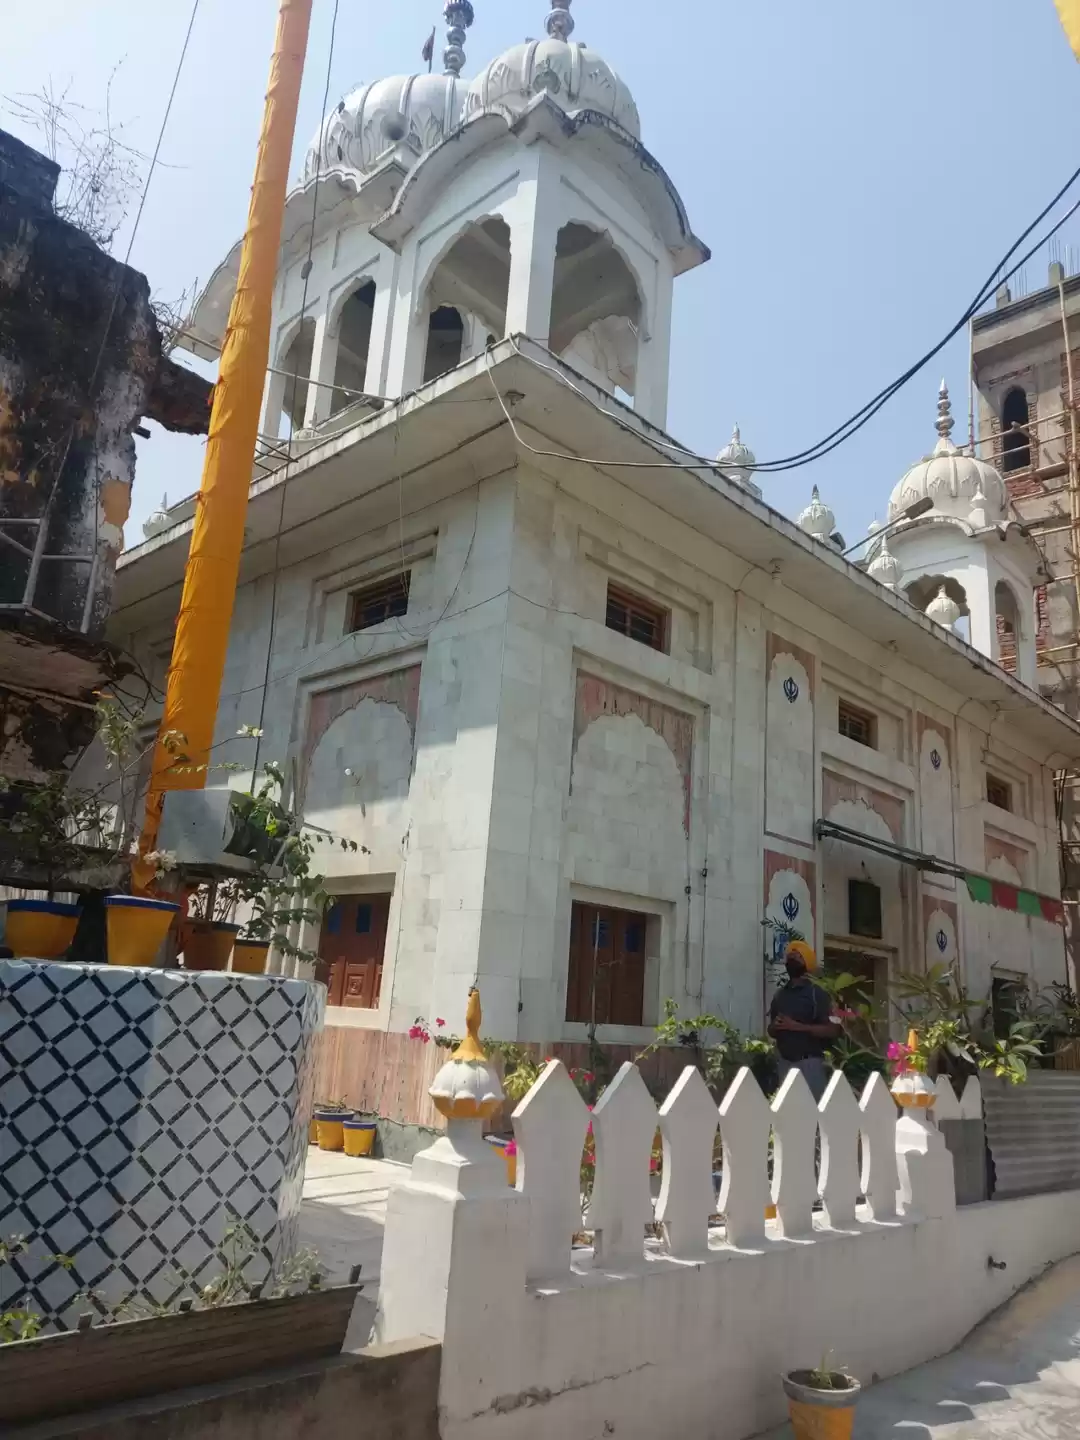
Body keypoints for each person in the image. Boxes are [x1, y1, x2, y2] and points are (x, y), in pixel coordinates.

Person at [767, 941, 839, 1101]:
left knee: (814, 1112)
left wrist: (797, 1027)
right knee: (789, 1113)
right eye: (789, 957)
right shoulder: (780, 995)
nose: (792, 960)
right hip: (785, 1063)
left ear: (807, 963)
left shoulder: (817, 993)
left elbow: (832, 1030)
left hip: (810, 1063)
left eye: (797, 957)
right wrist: (776, 1026)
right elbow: (770, 1030)